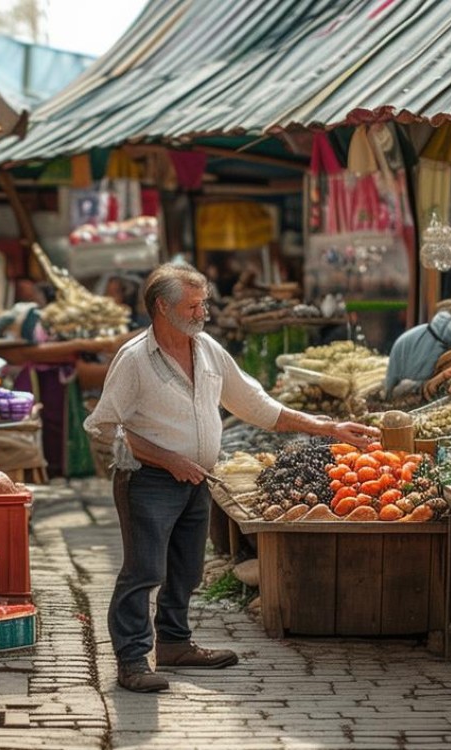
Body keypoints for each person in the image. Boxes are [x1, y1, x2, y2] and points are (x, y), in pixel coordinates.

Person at [83, 264, 379, 693]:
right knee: (145, 570)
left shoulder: (206, 349)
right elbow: (104, 428)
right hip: (148, 481)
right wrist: (168, 459)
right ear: (162, 307)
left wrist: (329, 427)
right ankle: (132, 661)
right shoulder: (134, 360)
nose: (204, 312)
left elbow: (256, 405)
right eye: (194, 304)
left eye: (203, 303)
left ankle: (174, 643)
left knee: (186, 570)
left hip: (196, 479)